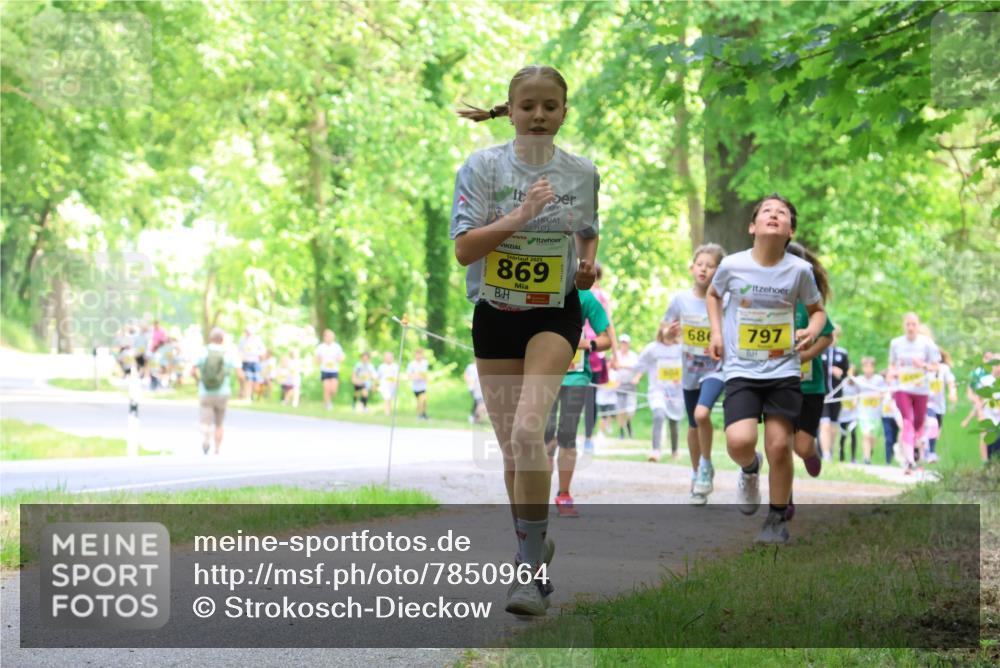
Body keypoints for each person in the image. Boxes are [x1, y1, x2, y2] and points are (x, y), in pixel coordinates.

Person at [452, 65, 599, 615]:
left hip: (553, 314)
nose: (539, 115)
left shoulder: (582, 172)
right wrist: (522, 214)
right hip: (495, 313)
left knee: (529, 429)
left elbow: (587, 232)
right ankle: (530, 546)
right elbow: (466, 250)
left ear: (564, 112)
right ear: (510, 111)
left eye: (550, 106)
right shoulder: (482, 166)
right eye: (529, 105)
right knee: (514, 450)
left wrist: (586, 267)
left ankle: (529, 575)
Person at [707, 193, 825, 545]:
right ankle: (748, 468)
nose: (774, 215)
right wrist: (716, 332)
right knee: (740, 441)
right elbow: (713, 295)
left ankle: (776, 520)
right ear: (752, 226)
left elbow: (818, 311)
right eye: (767, 211)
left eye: (783, 213)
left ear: (790, 230)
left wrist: (812, 330)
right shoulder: (731, 265)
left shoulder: (799, 270)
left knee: (779, 446)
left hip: (783, 369)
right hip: (742, 368)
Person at [663, 243, 727, 505]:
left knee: (702, 414)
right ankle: (696, 475)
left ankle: (706, 464)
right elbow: (665, 329)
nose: (704, 269)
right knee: (692, 424)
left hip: (716, 369)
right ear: (692, 268)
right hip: (690, 371)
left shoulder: (725, 300)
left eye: (710, 265)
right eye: (700, 264)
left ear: (718, 271)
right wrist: (668, 333)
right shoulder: (680, 299)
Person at [544, 289, 611, 517]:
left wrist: (587, 344)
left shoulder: (586, 297)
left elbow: (606, 339)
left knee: (567, 432)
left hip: (577, 374)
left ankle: (564, 494)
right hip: (545, 372)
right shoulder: (541, 286)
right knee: (545, 432)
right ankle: (539, 493)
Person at [782, 241, 834, 521]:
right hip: (778, 384)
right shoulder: (767, 300)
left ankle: (812, 453)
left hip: (810, 387)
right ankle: (784, 499)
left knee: (800, 446)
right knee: (780, 444)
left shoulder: (810, 304)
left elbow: (828, 336)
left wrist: (805, 356)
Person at [888, 313, 941, 474]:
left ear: (918, 326)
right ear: (904, 325)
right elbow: (891, 366)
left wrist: (923, 365)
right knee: (907, 422)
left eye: (914, 324)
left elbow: (936, 367)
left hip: (921, 390)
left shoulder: (927, 344)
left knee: (918, 425)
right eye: (908, 324)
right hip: (902, 389)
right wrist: (892, 374)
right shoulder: (896, 343)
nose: (911, 327)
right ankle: (909, 461)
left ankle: (912, 452)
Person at [581, 262, 617, 454]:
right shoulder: (572, 291)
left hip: (594, 351)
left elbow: (608, 325)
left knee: (590, 396)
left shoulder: (601, 296)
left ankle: (588, 437)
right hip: (571, 348)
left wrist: (616, 355)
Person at [634, 322, 684, 463]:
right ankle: (655, 450)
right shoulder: (652, 348)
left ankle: (675, 451)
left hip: (675, 393)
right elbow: (640, 363)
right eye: (666, 326)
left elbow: (688, 366)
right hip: (657, 390)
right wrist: (636, 375)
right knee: (659, 415)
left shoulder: (681, 349)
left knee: (674, 422)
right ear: (661, 329)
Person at [191, 328, 243, 455]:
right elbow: (240, 374)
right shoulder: (228, 353)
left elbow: (192, 371)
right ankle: (217, 449)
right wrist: (242, 389)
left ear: (211, 338)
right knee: (219, 423)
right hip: (223, 392)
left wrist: (199, 381)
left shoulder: (203, 352)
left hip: (205, 391)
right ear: (222, 339)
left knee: (205, 420)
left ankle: (205, 439)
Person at [819, 327, 850, 461]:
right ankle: (825, 454)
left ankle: (830, 451)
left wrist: (842, 374)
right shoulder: (819, 352)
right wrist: (829, 369)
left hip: (837, 395)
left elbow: (847, 374)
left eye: (834, 335)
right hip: (822, 394)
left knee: (833, 426)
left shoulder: (842, 354)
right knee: (824, 424)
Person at [852, 357, 888, 465]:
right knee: (866, 434)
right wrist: (855, 400)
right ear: (863, 368)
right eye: (866, 367)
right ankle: (866, 459)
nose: (868, 369)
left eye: (870, 367)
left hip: (876, 413)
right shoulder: (859, 380)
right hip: (863, 413)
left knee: (873, 437)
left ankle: (869, 452)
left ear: (873, 367)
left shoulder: (879, 380)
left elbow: (884, 393)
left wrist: (877, 396)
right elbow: (855, 393)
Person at [925, 346, 958, 464]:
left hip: (940, 406)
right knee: (932, 424)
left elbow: (951, 382)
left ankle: (928, 449)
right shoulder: (924, 369)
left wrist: (952, 393)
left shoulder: (944, 369)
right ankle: (930, 452)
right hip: (926, 404)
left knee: (936, 430)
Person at [612, 334, 639, 439]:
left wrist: (636, 377)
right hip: (619, 385)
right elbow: (613, 368)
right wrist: (614, 381)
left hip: (630, 386)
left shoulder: (633, 356)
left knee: (631, 410)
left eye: (625, 343)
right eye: (622, 343)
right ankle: (622, 432)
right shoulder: (616, 355)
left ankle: (628, 424)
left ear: (628, 344)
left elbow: (637, 368)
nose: (623, 345)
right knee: (620, 410)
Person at [315, 329, 345, 410]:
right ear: (325, 337)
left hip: (334, 370)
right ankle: (327, 404)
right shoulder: (320, 347)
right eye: (328, 336)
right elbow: (317, 358)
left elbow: (342, 357)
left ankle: (328, 400)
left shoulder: (337, 347)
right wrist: (318, 361)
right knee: (326, 388)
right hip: (325, 370)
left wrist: (340, 359)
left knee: (333, 390)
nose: (330, 338)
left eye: (331, 336)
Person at [238, 326, 265, 401]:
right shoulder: (242, 340)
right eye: (246, 331)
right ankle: (248, 396)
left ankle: (254, 395)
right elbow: (239, 350)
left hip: (255, 362)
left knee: (256, 380)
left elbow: (262, 350)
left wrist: (256, 353)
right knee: (248, 379)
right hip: (246, 362)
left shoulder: (257, 339)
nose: (248, 333)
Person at [837, 373, 859, 463]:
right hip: (842, 415)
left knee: (853, 433)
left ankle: (853, 457)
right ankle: (841, 456)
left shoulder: (857, 385)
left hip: (853, 415)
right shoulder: (842, 384)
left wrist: (856, 400)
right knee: (843, 436)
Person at [407, 348, 431, 420]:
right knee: (420, 401)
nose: (419, 356)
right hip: (416, 386)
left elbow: (426, 373)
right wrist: (416, 376)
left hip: (423, 385)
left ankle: (423, 414)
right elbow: (409, 375)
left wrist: (425, 377)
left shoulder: (425, 363)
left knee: (424, 400)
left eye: (420, 355)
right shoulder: (412, 364)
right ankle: (419, 415)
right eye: (417, 355)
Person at [376, 351, 399, 416]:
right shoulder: (382, 366)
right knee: (387, 398)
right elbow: (378, 376)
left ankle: (389, 411)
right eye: (387, 357)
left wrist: (397, 383)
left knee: (390, 399)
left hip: (392, 385)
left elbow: (397, 376)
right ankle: (387, 412)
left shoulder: (395, 366)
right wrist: (376, 385)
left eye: (390, 357)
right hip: (384, 385)